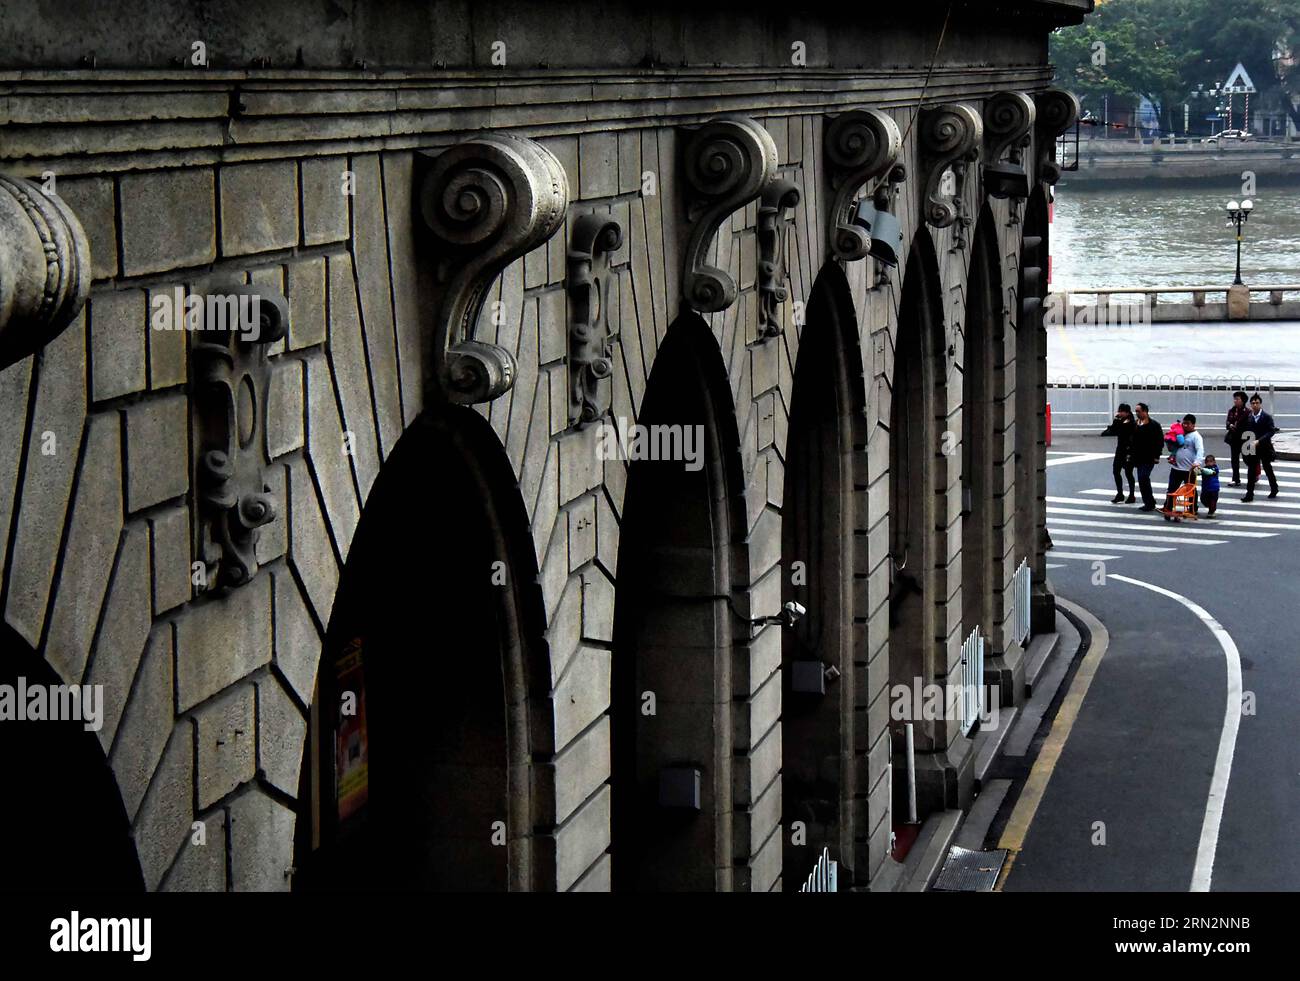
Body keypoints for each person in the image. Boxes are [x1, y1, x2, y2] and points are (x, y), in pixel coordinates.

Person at [1163, 413, 1204, 519]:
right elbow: (1172, 446)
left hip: (1189, 469)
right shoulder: (1179, 433)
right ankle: (1168, 507)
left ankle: (1193, 508)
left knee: (1191, 490)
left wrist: (1197, 463)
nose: (1185, 425)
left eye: (1188, 424)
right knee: (1172, 489)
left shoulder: (1196, 436)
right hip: (1176, 467)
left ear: (1193, 425)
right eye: (1184, 423)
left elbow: (1200, 450)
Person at [1241, 393, 1280, 501]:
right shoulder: (1249, 417)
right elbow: (1245, 430)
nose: (1254, 405)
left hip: (1264, 447)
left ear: (1260, 404)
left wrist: (1260, 440)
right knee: (1251, 470)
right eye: (1253, 403)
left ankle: (1274, 488)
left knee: (1267, 468)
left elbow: (1271, 431)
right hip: (1252, 447)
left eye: (1257, 403)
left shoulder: (1266, 417)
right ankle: (1249, 494)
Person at [1131, 402, 1165, 512]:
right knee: (1142, 480)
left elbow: (1159, 441)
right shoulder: (1135, 424)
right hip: (1138, 457)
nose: (1136, 413)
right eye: (1136, 411)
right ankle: (1149, 501)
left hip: (1149, 457)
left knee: (1143, 477)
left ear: (1145, 411)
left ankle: (1149, 502)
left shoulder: (1154, 425)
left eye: (1138, 411)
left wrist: (1157, 456)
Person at [1100, 403, 1136, 503]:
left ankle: (1132, 494)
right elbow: (1113, 431)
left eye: (1121, 411)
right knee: (1116, 471)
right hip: (1120, 449)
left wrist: (1117, 422)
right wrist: (1116, 420)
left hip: (1128, 450)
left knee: (1128, 473)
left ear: (1127, 412)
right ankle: (1119, 493)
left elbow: (1121, 431)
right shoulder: (1121, 421)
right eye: (1119, 411)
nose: (1119, 413)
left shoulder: (1131, 423)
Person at [1224, 390, 1249, 485]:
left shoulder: (1247, 412)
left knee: (1248, 459)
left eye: (1237, 399)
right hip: (1234, 439)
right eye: (1234, 399)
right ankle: (1236, 479)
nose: (1235, 401)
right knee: (1234, 460)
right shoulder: (1232, 411)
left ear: (1243, 401)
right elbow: (1227, 422)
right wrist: (1229, 425)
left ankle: (1254, 474)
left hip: (1245, 440)